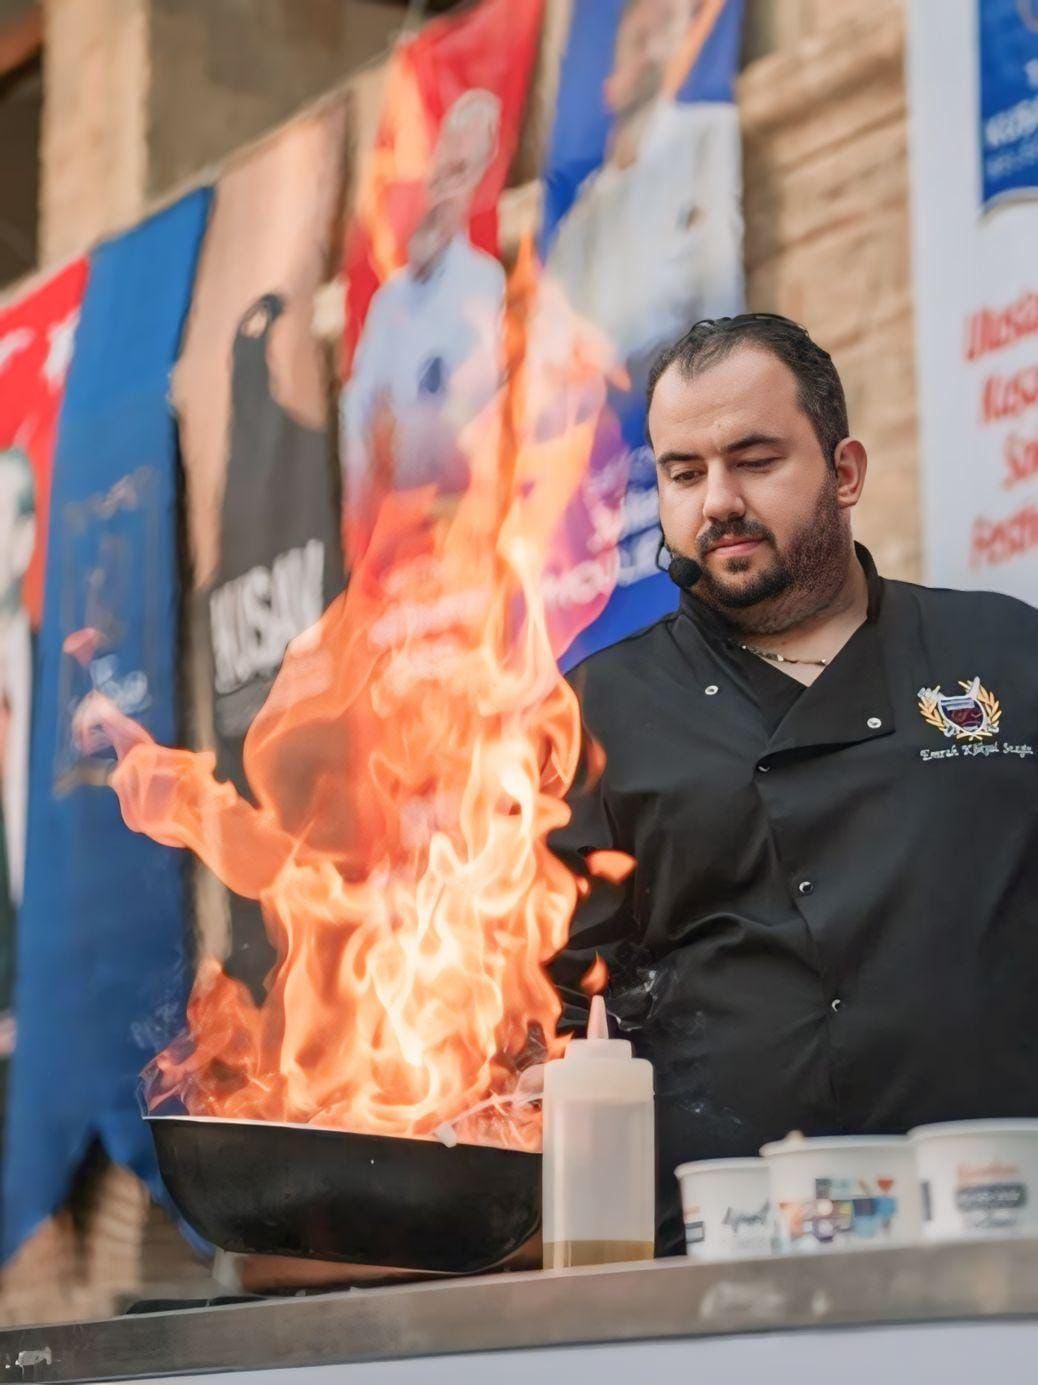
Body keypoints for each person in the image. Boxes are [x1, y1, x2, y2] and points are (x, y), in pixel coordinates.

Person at [549, 313, 1038, 1255]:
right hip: (715, 1254)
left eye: (755, 460)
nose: (718, 501)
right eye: (683, 473)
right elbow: (568, 1007)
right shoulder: (599, 711)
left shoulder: (1006, 653)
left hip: (1003, 1232)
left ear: (844, 471)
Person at [340, 89, 506, 566]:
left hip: (459, 546)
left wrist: (404, 434)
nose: (437, 193)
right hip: (388, 552)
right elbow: (358, 429)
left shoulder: (483, 285)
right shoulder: (387, 303)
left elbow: (466, 436)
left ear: (478, 183)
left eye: (457, 174)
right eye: (432, 173)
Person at [545, 0, 743, 386]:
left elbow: (720, 286)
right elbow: (553, 346)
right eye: (638, 40)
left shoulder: (707, 137)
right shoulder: (581, 221)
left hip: (689, 387)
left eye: (664, 33)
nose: (650, 53)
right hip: (605, 407)